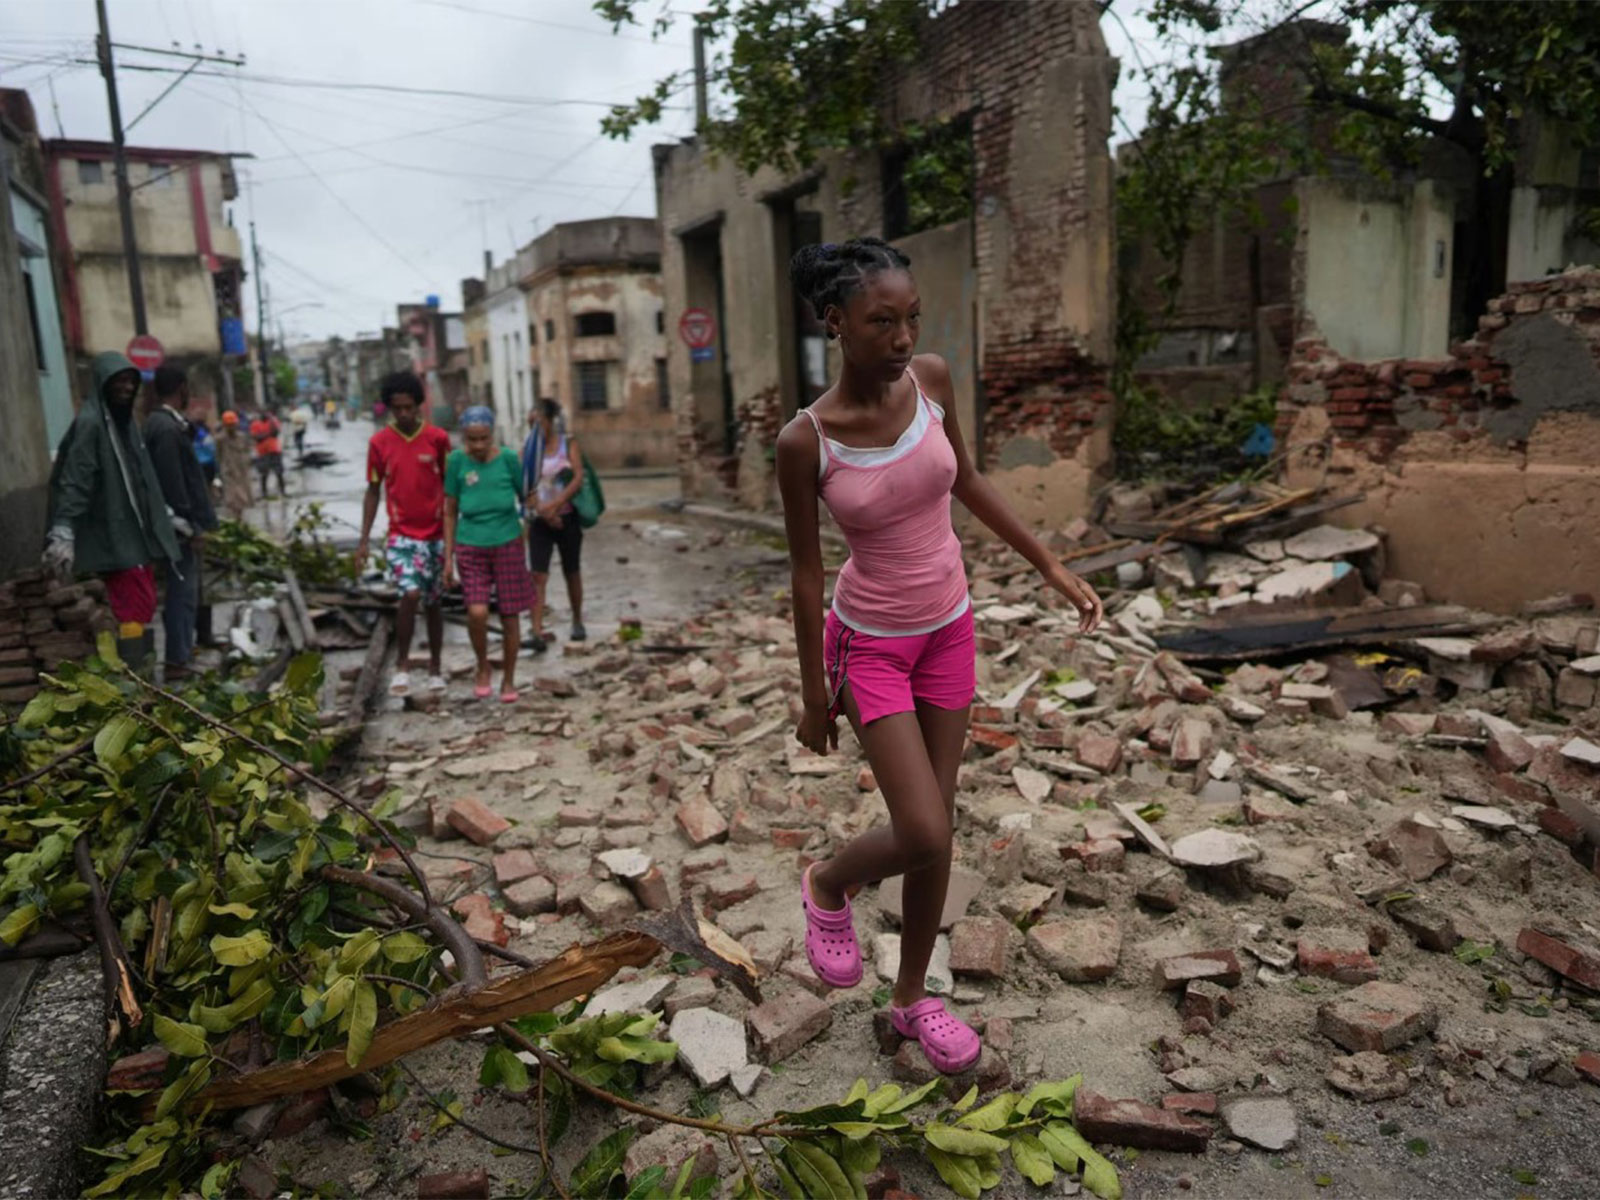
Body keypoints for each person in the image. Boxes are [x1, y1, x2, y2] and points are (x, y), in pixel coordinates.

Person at [776, 238, 1103, 1075]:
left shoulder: (933, 380)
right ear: (834, 323)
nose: (901, 336)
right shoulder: (806, 441)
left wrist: (1049, 562)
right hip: (870, 645)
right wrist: (816, 697)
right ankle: (828, 883)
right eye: (881, 321)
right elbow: (807, 573)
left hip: (949, 626)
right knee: (920, 825)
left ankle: (912, 998)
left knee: (939, 827)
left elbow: (967, 478)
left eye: (911, 317)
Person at [43, 351, 182, 667]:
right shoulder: (92, 424)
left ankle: (142, 678)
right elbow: (76, 478)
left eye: (130, 381)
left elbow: (141, 480)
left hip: (135, 534)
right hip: (114, 535)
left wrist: (164, 516)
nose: (125, 387)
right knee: (133, 606)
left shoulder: (126, 423)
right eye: (118, 381)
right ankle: (137, 680)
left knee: (141, 606)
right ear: (102, 383)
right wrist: (63, 529)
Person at [356, 371, 451, 695]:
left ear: (419, 405)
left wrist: (456, 538)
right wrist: (364, 540)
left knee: (434, 602)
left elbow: (450, 489)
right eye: (398, 409)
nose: (405, 414)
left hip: (436, 534)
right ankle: (402, 665)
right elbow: (372, 490)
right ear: (390, 408)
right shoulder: (379, 443)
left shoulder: (437, 438)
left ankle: (436, 668)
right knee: (409, 594)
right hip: (400, 535)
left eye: (410, 407)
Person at [443, 406, 530, 702]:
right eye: (472, 440)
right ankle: (482, 666)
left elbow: (525, 500)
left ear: (492, 434)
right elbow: (450, 510)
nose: (478, 446)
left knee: (510, 616)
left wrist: (524, 540)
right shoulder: (456, 461)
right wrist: (447, 558)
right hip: (471, 545)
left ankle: (509, 678)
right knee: (477, 611)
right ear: (463, 437)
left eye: (483, 438)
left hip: (507, 543)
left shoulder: (507, 459)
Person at [144, 365, 219, 675]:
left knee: (186, 590)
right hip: (178, 527)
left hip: (178, 523)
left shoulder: (167, 425)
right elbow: (172, 483)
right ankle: (177, 659)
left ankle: (184, 652)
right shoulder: (163, 428)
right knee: (181, 592)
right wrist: (189, 525)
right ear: (181, 389)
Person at [522, 398, 586, 649]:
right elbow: (525, 485)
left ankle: (578, 620)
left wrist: (556, 505)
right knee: (538, 574)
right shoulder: (527, 450)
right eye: (530, 423)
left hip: (568, 519)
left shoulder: (568, 444)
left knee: (572, 571)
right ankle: (536, 631)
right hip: (540, 522)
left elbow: (578, 477)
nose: (534, 428)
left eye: (538, 422)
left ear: (549, 421)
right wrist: (544, 511)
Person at [216, 410, 254, 519]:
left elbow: (247, 451)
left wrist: (247, 462)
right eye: (229, 425)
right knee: (232, 499)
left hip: (241, 471)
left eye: (233, 424)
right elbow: (218, 455)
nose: (231, 427)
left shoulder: (242, 437)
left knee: (243, 498)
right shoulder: (220, 439)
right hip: (229, 472)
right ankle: (235, 518)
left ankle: (239, 518)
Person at [249, 407, 286, 498]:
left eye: (266, 413)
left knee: (279, 472)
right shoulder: (255, 424)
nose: (264, 415)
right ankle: (264, 493)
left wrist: (271, 423)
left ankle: (283, 491)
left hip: (274, 450)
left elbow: (276, 432)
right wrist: (268, 434)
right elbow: (256, 438)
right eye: (262, 413)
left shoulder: (273, 422)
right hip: (262, 452)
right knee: (264, 473)